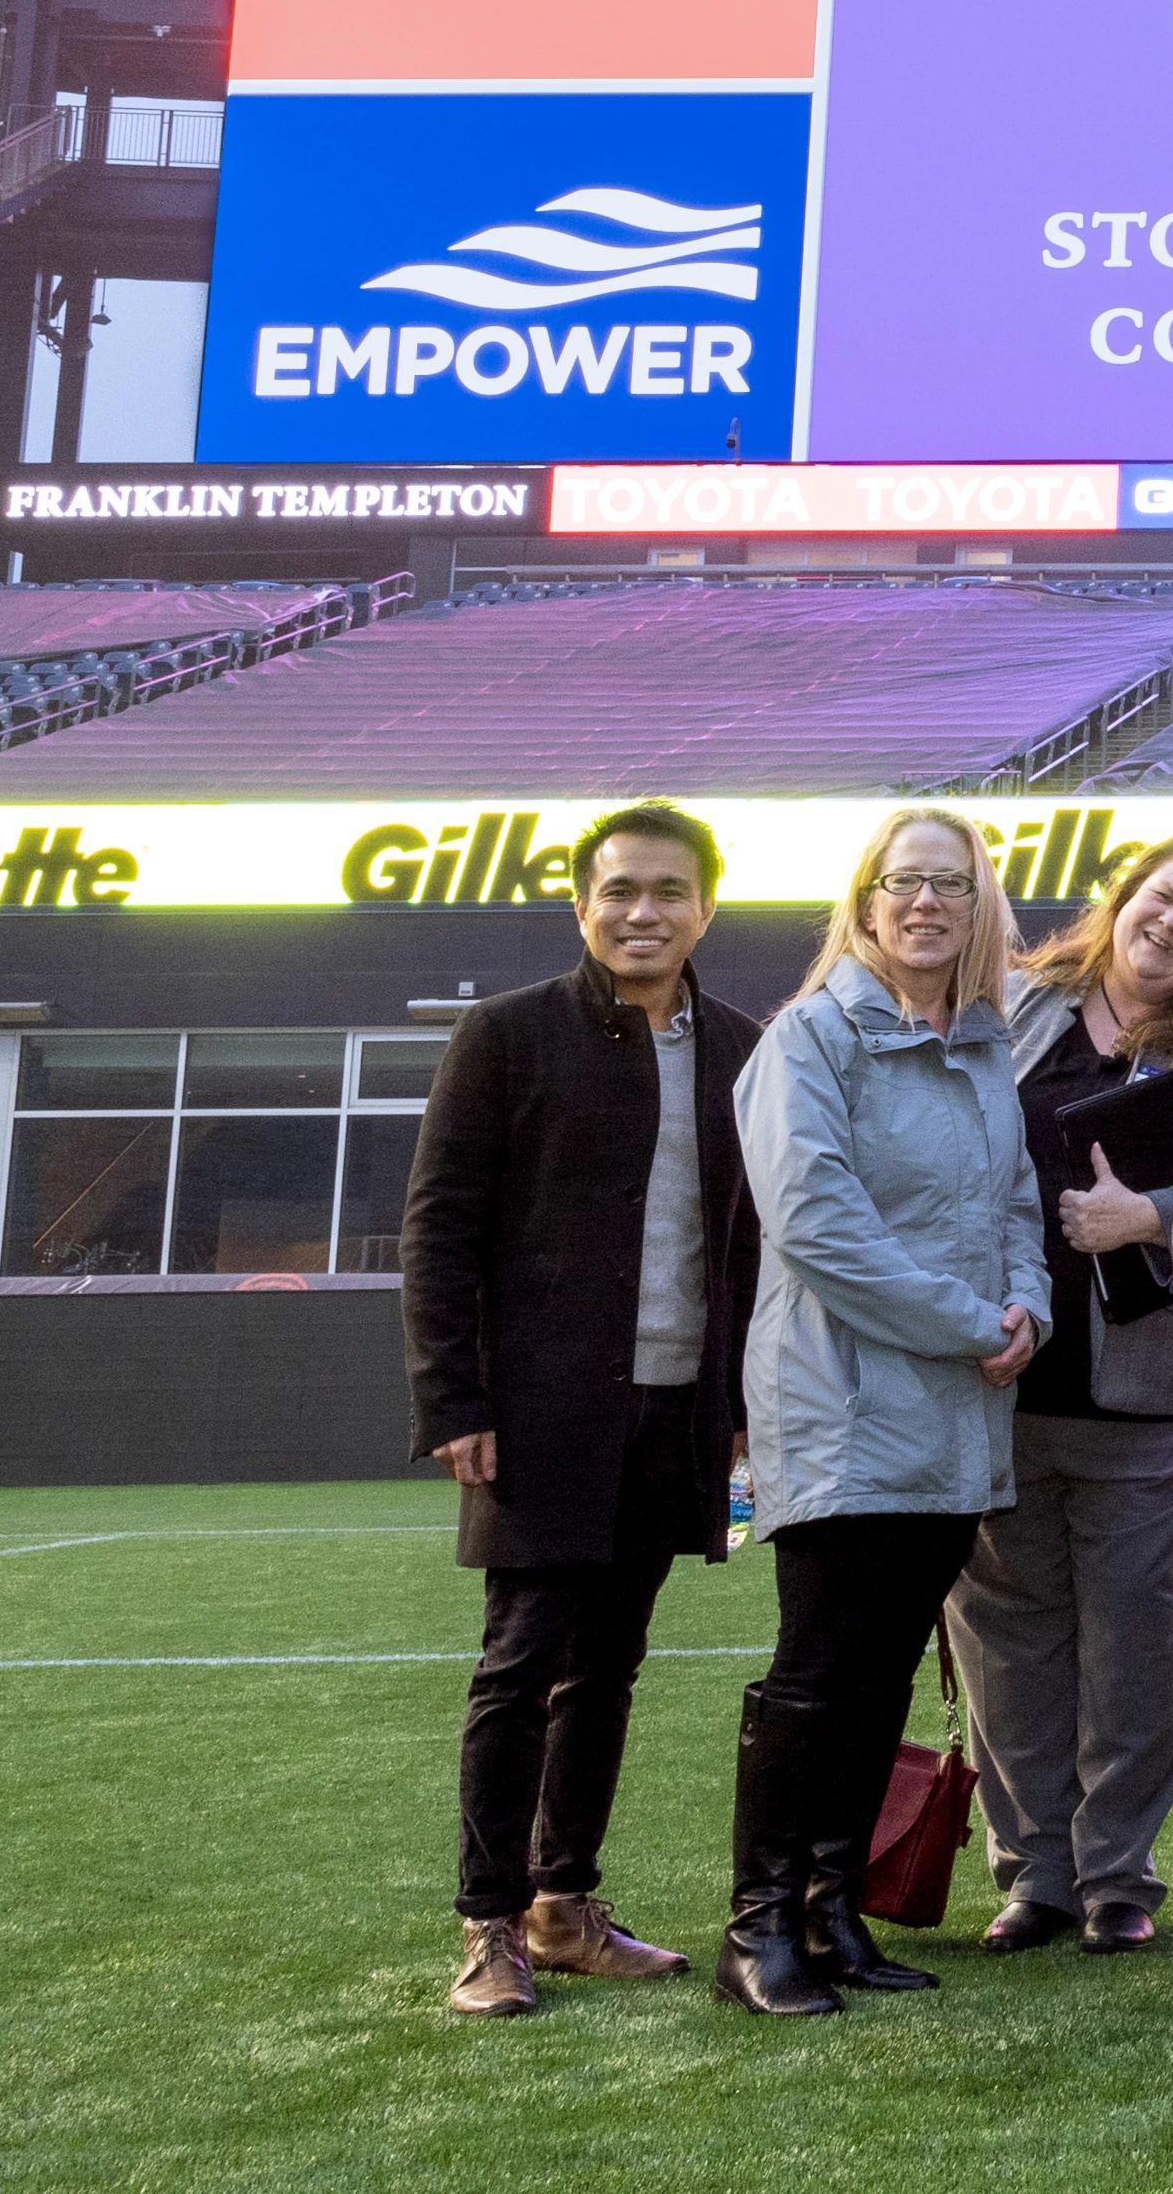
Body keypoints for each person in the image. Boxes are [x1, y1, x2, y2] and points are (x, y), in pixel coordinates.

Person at [402, 801, 763, 2016]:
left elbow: (753, 1244)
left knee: (608, 1667)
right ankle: (487, 1922)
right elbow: (438, 1226)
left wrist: (745, 1408)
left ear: (705, 906)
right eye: (619, 890)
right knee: (519, 1665)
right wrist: (453, 1393)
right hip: (541, 1411)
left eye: (668, 890)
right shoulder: (505, 1035)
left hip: (677, 1411)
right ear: (581, 904)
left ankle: (564, 1905)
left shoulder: (741, 1047)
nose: (642, 911)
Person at [716, 807, 1047, 2016]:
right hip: (844, 1408)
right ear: (862, 904)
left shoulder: (982, 1049)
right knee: (818, 1671)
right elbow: (817, 1226)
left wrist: (1028, 1307)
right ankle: (755, 1928)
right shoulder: (807, 1039)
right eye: (902, 882)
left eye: (949, 885)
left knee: (884, 1675)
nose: (925, 903)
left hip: (958, 1414)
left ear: (978, 907)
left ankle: (829, 1909)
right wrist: (975, 1322)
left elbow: (1017, 1203)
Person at [947, 827, 1173, 1955]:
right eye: (1159, 899)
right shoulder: (1012, 1005)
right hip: (998, 1383)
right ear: (1119, 895)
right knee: (1007, 1644)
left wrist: (1155, 1216)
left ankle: (1117, 1872)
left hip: (1146, 1396)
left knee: (1133, 1645)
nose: (1169, 925)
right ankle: (1034, 1870)